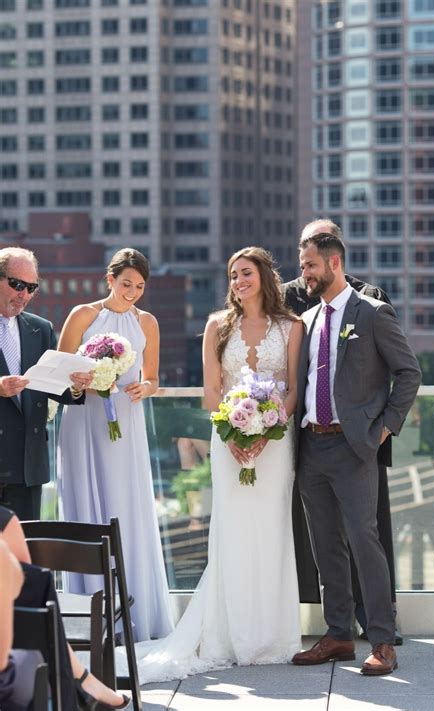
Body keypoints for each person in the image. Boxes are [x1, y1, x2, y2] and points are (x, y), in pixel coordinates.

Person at [116, 247, 303, 682]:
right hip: (228, 440)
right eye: (234, 274)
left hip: (276, 444)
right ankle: (230, 634)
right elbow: (212, 392)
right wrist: (236, 435)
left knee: (272, 531)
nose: (239, 280)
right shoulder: (217, 326)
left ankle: (271, 638)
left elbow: (294, 388)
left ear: (265, 277)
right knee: (233, 531)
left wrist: (268, 429)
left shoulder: (291, 327)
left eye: (247, 273)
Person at [292, 229, 421, 675]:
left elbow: (409, 373)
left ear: (333, 263)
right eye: (302, 264)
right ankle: (338, 636)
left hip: (355, 448)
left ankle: (383, 642)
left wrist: (384, 427)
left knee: (365, 542)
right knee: (325, 545)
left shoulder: (372, 313)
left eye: (309, 265)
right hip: (311, 446)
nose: (303, 273)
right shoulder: (306, 321)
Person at [57, 248, 173, 643]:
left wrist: (146, 387)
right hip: (84, 420)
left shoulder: (148, 322)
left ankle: (135, 613)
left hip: (125, 417)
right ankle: (86, 618)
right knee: (86, 508)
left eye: (140, 287)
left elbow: (154, 377)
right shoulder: (82, 315)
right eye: (126, 284)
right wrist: (81, 382)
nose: (133, 293)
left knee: (126, 505)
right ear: (110, 280)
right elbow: (60, 370)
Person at [0, 504, 130, 710]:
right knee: (34, 586)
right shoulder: (5, 528)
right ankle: (81, 680)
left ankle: (82, 678)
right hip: (10, 684)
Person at [0, 247, 92, 521]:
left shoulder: (41, 329)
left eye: (32, 288)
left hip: (27, 467)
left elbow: (57, 387)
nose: (24, 295)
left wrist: (77, 385)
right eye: (17, 284)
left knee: (26, 556)